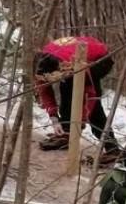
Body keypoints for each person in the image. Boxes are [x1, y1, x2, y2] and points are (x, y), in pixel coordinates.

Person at [35, 35, 120, 163]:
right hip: (72, 56)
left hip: (100, 59)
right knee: (66, 87)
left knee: (94, 108)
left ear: (60, 68)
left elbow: (90, 96)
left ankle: (112, 147)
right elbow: (44, 91)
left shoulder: (72, 64)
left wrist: (80, 121)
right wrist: (54, 118)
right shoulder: (39, 66)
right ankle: (66, 133)